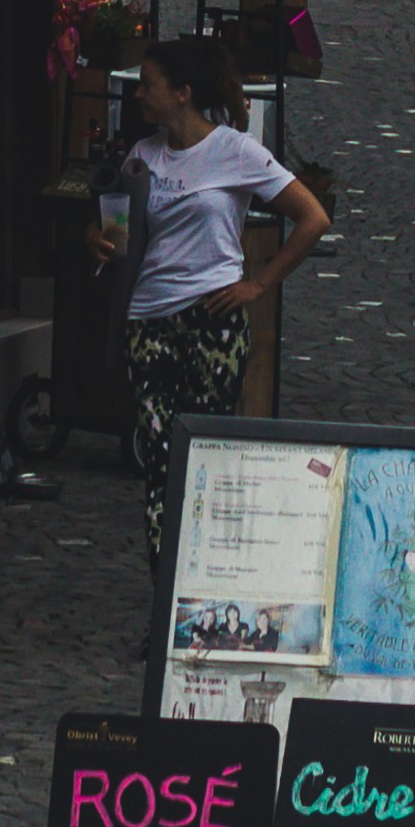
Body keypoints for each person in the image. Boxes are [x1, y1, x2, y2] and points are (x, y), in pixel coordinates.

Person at [94, 37, 330, 559]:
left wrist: (260, 283)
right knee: (159, 461)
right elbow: (122, 239)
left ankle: (207, 583)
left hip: (212, 319)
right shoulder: (142, 156)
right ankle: (165, 609)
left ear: (182, 93)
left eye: (148, 85)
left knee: (205, 457)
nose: (138, 95)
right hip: (149, 321)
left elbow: (313, 218)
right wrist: (105, 242)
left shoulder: (235, 150)